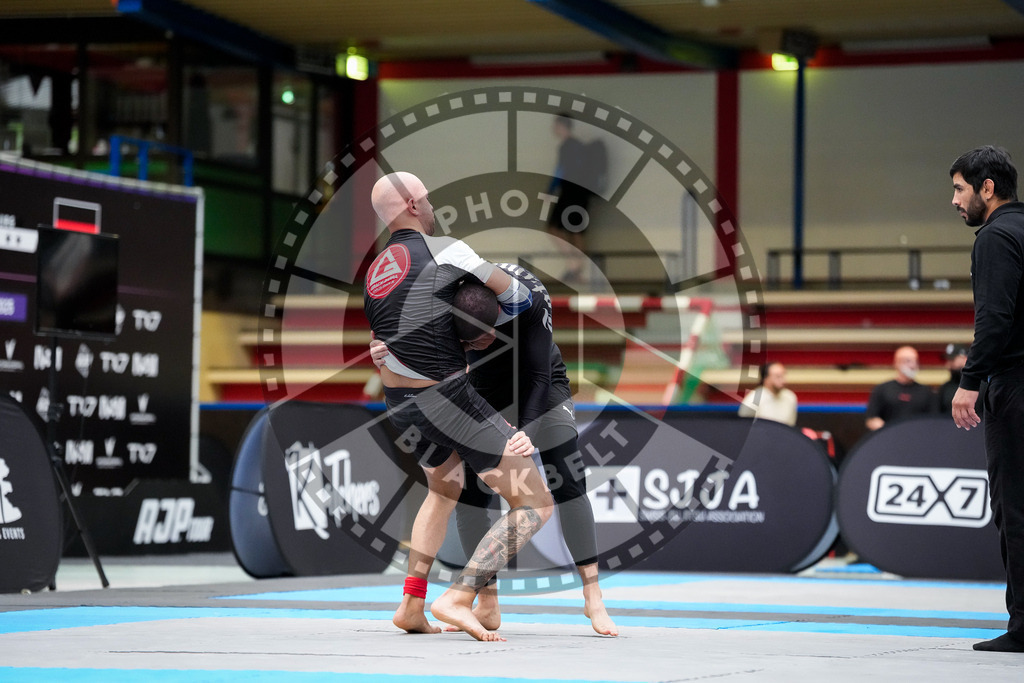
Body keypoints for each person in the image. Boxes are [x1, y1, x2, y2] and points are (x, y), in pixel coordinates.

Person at [371, 266, 618, 636]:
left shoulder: (529, 302)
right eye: (467, 342)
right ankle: (486, 602)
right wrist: (381, 350)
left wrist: (528, 431)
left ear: (497, 320)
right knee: (471, 490)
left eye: (482, 338)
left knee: (567, 474)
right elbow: (392, 325)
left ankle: (593, 595)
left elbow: (539, 377)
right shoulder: (438, 297)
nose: (475, 345)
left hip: (541, 382)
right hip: (480, 387)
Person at [362, 171, 553, 642]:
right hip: (445, 398)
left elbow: (388, 338)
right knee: (535, 503)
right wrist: (483, 315)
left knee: (443, 491)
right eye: (426, 198)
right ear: (410, 205)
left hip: (399, 401)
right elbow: (518, 296)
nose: (431, 207)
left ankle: (411, 604)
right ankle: (460, 596)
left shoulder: (377, 269)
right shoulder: (447, 249)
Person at [949, 145, 1024, 653]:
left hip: (1015, 386)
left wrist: (970, 381)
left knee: (1016, 510)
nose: (954, 200)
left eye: (959, 188)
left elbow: (993, 318)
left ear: (987, 187)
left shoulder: (995, 236)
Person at [546, 112, 597, 281]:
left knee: (555, 227)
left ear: (562, 126)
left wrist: (550, 189)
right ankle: (577, 270)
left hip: (571, 192)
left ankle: (575, 266)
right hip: (581, 193)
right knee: (576, 231)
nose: (554, 128)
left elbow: (561, 170)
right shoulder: (578, 146)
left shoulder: (568, 146)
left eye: (556, 125)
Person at [864, 345, 937, 431]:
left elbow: (933, 420)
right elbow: (872, 419)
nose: (912, 365)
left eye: (915, 361)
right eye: (907, 361)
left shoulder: (927, 392)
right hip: (889, 439)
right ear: (896, 363)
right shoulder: (882, 389)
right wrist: (888, 430)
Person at [737, 361, 798, 426]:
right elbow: (743, 426)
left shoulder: (790, 397)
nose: (782, 379)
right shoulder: (753, 399)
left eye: (783, 374)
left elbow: (791, 426)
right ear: (766, 379)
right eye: (777, 376)